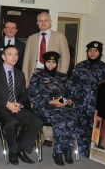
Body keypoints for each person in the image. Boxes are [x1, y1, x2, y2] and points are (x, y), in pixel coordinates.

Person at [0, 45, 43, 165]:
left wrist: (18, 104)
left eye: (16, 54)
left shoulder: (20, 74)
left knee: (37, 122)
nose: (14, 57)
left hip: (16, 106)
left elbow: (24, 94)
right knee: (12, 122)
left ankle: (21, 149)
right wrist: (7, 104)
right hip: (0, 107)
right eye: (10, 54)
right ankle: (13, 152)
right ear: (3, 57)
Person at [23, 12, 70, 146]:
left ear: (50, 22)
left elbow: (65, 58)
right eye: (40, 21)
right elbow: (26, 59)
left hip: (53, 76)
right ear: (37, 23)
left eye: (46, 20)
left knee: (52, 103)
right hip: (36, 76)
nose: (43, 23)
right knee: (38, 103)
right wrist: (26, 77)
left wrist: (59, 78)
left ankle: (49, 136)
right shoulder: (32, 38)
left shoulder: (60, 37)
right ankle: (39, 133)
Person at [28, 51, 77, 166]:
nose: (51, 64)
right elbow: (32, 96)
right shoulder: (37, 76)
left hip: (63, 106)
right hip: (44, 107)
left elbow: (70, 93)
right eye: (48, 62)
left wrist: (68, 101)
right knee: (60, 120)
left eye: (53, 62)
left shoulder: (63, 76)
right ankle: (58, 152)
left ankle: (68, 150)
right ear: (44, 63)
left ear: (57, 63)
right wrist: (51, 101)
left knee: (72, 118)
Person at [68, 41, 105, 157]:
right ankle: (81, 151)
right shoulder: (80, 66)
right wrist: (71, 100)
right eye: (90, 51)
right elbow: (72, 85)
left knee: (94, 130)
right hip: (81, 104)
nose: (92, 53)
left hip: (97, 105)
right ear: (87, 52)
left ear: (100, 53)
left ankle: (93, 152)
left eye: (95, 51)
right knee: (80, 127)